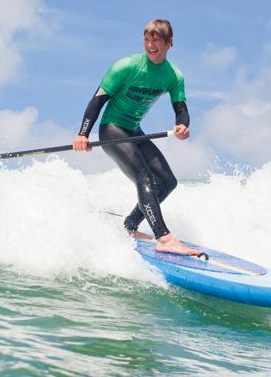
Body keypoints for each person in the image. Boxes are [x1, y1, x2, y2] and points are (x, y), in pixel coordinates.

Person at [72, 19, 199, 257]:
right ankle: (164, 237)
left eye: (156, 40)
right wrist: (83, 134)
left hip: (134, 130)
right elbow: (97, 100)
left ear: (169, 43)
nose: (150, 45)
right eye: (147, 40)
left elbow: (181, 109)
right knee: (144, 175)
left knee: (168, 181)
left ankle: (130, 225)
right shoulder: (126, 66)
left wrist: (182, 125)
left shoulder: (173, 76)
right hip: (112, 129)